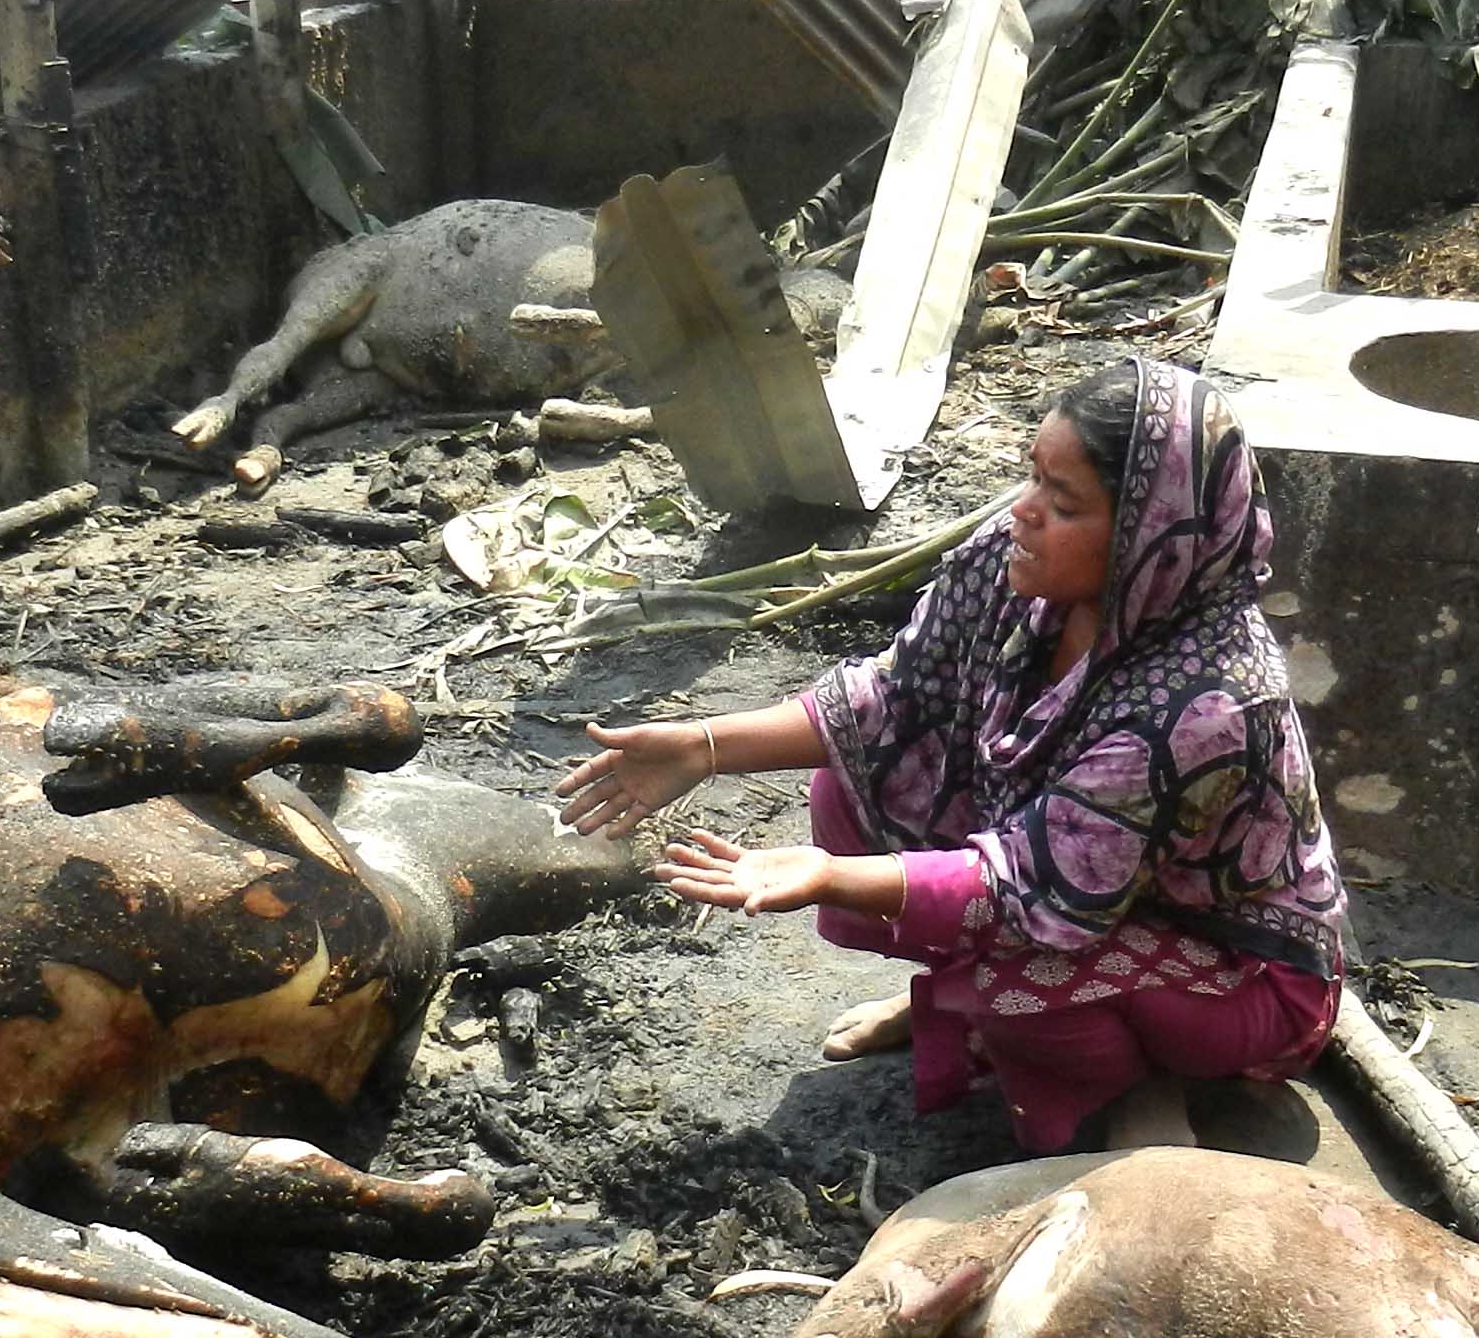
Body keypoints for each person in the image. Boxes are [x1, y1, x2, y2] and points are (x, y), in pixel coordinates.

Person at [552, 356, 1347, 1153]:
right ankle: (955, 1003)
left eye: (1062, 501)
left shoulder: (1209, 705)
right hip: (1079, 884)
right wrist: (704, 745)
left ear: (1152, 538)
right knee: (850, 780)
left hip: (1233, 967)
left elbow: (1029, 884)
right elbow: (890, 697)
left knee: (1018, 979)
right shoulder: (1007, 570)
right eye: (1031, 478)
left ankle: (1112, 1112)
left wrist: (824, 876)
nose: (1022, 514)